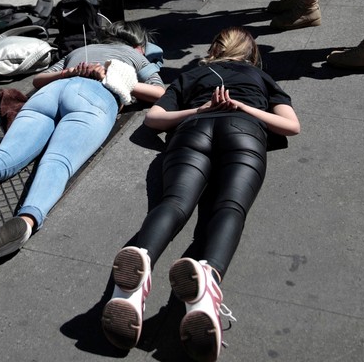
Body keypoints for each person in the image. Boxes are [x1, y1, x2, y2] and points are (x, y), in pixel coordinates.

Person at [100, 26, 299, 361]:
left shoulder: (192, 74)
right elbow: (290, 126)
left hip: (191, 132)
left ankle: (133, 282)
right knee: (229, 208)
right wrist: (241, 107)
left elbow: (155, 119)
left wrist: (200, 110)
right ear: (252, 54)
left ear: (214, 49)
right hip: (244, 132)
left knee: (174, 202)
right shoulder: (259, 76)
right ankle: (207, 284)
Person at [0, 21, 166, 267]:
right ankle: (26, 221)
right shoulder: (137, 56)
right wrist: (116, 77)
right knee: (58, 161)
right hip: (96, 97)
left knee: (6, 155)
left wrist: (72, 71)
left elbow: (38, 81)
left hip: (49, 94)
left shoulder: (83, 48)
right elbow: (160, 93)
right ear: (138, 46)